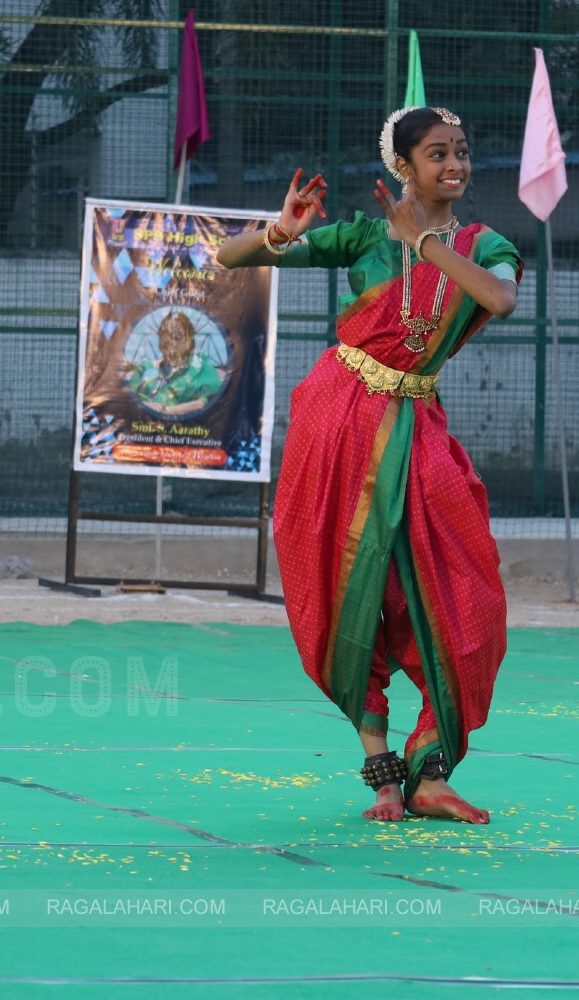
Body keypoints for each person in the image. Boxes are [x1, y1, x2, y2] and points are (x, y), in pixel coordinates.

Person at [218, 107, 522, 824]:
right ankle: (385, 771)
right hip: (342, 421)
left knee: (465, 589)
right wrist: (279, 234)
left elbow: (500, 299)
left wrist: (430, 247)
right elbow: (228, 259)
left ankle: (432, 771)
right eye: (438, 154)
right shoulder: (361, 236)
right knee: (353, 584)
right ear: (404, 168)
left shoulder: (485, 243)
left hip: (419, 426)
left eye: (462, 152)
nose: (455, 165)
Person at [125, 309, 224, 418]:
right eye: (165, 335)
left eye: (177, 337)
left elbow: (206, 403)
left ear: (189, 341)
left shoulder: (202, 369)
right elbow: (126, 401)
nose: (171, 341)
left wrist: (165, 410)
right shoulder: (145, 368)